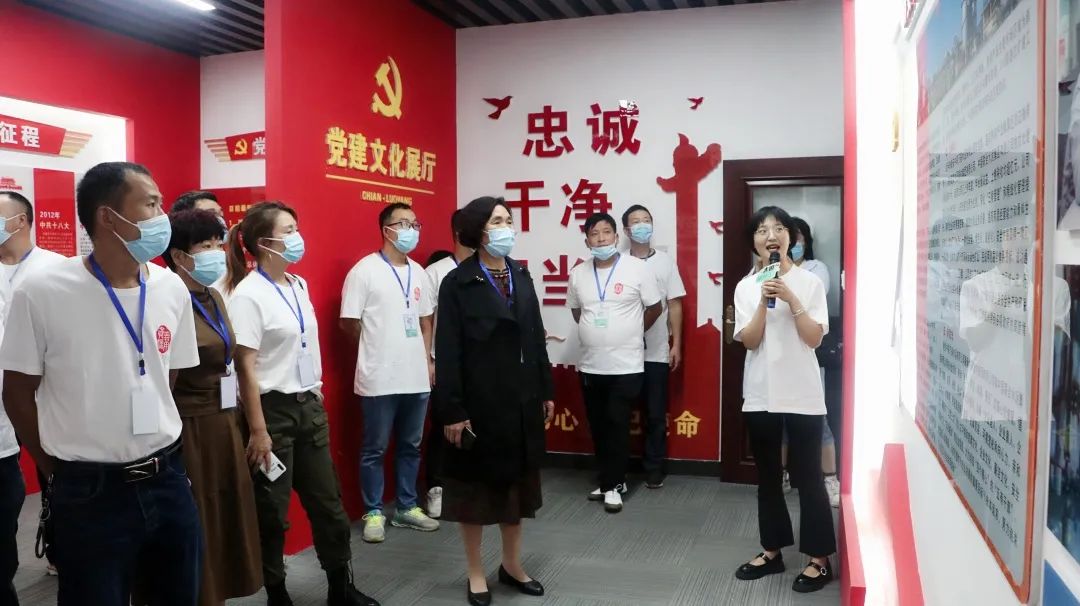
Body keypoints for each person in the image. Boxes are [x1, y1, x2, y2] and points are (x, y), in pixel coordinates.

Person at [0, 162, 203, 605]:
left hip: (167, 476)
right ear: (109, 216)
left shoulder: (170, 287)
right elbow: (16, 392)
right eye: (151, 204)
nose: (163, 216)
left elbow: (169, 374)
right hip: (89, 491)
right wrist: (56, 469)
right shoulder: (43, 290)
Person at [225, 201, 378, 606]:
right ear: (265, 243)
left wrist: (314, 391)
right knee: (272, 512)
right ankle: (277, 592)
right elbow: (246, 367)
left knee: (329, 504)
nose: (297, 237)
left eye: (296, 228)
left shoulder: (298, 285)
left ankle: (340, 587)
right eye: (288, 230)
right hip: (271, 414)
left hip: (308, 406)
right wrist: (258, 430)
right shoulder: (248, 295)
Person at [435, 196, 554, 606]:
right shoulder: (458, 282)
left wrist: (545, 389)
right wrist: (452, 409)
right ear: (479, 231)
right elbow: (447, 350)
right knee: (475, 495)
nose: (507, 228)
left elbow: (536, 337)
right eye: (498, 221)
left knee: (515, 492)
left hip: (521, 401)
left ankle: (512, 565)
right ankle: (475, 572)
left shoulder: (521, 275)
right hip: (478, 404)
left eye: (508, 219)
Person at [732, 206, 835, 594]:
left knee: (809, 477)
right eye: (761, 230)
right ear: (754, 242)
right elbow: (750, 340)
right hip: (761, 394)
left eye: (778, 229)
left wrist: (791, 298)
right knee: (768, 477)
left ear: (791, 237)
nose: (770, 235)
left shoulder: (810, 282)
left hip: (803, 394)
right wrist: (763, 300)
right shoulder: (746, 287)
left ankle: (819, 559)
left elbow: (813, 338)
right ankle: (772, 551)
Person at [161, 209, 262, 605]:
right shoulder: (167, 298)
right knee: (198, 516)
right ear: (178, 255)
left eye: (219, 244)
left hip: (223, 420)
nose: (217, 253)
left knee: (225, 514)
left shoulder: (214, 295)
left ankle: (216, 595)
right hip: (188, 426)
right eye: (205, 246)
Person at [340, 202, 440, 543]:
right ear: (387, 230)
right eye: (404, 223)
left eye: (415, 223)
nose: (412, 230)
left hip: (415, 375)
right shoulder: (364, 271)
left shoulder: (420, 272)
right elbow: (349, 322)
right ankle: (373, 511)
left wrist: (427, 360)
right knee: (375, 448)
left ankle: (406, 507)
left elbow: (425, 321)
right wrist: (376, 346)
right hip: (379, 377)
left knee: (411, 445)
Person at [567, 212, 662, 513]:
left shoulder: (637, 268)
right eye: (594, 234)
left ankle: (614, 484)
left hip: (626, 365)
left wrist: (631, 331)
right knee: (598, 426)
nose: (601, 239)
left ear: (616, 236)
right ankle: (608, 479)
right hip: (591, 365)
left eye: (606, 232)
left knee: (617, 424)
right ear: (587, 241)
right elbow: (577, 312)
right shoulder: (578, 273)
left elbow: (655, 307)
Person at [0, 190, 64, 598]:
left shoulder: (56, 269)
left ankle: (60, 547)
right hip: (5, 400)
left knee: (53, 473)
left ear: (21, 221)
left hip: (45, 395)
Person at [622, 204, 685, 489]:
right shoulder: (618, 262)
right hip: (622, 352)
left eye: (646, 220)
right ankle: (618, 469)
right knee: (620, 413)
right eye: (635, 222)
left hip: (657, 349)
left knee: (656, 413)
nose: (642, 225)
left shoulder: (665, 262)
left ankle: (654, 468)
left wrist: (676, 344)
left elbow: (675, 303)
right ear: (626, 230)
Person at [423, 210, 473, 519]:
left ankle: (470, 487)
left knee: (478, 426)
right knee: (445, 426)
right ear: (457, 232)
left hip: (480, 365)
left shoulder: (488, 268)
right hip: (445, 363)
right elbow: (426, 319)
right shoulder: (437, 272)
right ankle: (436, 488)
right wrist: (428, 359)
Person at [788, 216, 839, 507]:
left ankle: (830, 479)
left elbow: (810, 301)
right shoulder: (766, 269)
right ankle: (783, 474)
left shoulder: (816, 268)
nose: (793, 243)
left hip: (809, 355)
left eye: (798, 237)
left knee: (819, 419)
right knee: (781, 420)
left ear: (806, 241)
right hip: (779, 358)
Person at [172, 191, 230, 296]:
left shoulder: (226, 274)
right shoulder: (167, 286)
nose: (219, 220)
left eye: (221, 215)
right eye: (211, 214)